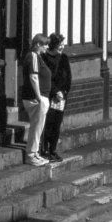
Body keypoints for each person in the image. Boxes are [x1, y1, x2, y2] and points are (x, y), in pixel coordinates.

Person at [20, 33, 50, 165]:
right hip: (35, 98)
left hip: (40, 97)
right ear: (38, 44)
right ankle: (31, 154)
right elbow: (33, 77)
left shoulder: (38, 57)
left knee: (38, 126)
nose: (47, 47)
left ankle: (35, 152)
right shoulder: (33, 56)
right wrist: (39, 97)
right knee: (36, 127)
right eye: (45, 44)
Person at [40, 34, 70, 162]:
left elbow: (68, 77)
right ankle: (45, 149)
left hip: (61, 97)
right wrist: (55, 92)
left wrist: (63, 92)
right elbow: (46, 78)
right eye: (60, 44)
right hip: (49, 95)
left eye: (63, 44)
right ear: (54, 44)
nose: (62, 47)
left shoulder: (64, 58)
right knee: (48, 123)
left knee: (57, 124)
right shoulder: (44, 57)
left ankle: (53, 150)